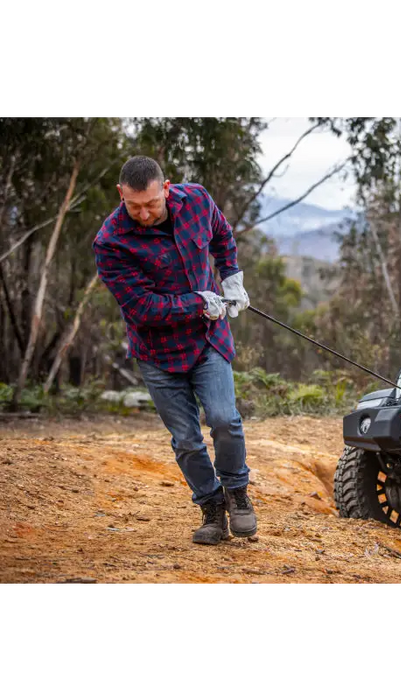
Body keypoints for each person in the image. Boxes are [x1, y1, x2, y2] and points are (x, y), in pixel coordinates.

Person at [93, 155, 256, 545]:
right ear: (121, 195)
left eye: (152, 203)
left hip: (207, 338)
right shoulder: (111, 242)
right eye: (135, 206)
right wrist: (197, 301)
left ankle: (237, 494)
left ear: (166, 188)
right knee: (185, 439)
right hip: (157, 353)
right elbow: (142, 308)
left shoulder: (197, 200)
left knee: (223, 418)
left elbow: (221, 234)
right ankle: (211, 509)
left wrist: (231, 276)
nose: (145, 214)